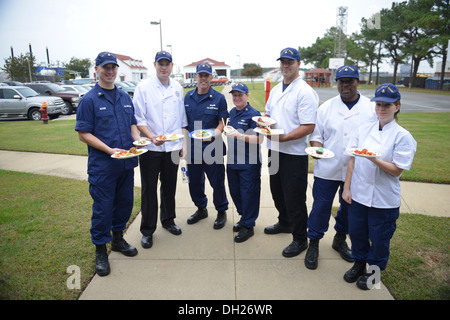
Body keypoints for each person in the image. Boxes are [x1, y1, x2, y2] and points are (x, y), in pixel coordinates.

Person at [342, 83, 416, 290]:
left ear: (397, 107)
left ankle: (374, 272)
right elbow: (352, 160)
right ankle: (358, 264)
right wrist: (347, 188)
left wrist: (373, 159)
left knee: (379, 238)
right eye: (378, 105)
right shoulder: (364, 130)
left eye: (387, 105)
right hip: (359, 194)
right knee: (357, 233)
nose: (381, 109)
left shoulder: (403, 136)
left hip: (384, 200)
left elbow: (396, 170)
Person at [304, 65, 377, 270]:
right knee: (320, 208)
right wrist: (317, 151)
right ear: (337, 83)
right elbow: (316, 138)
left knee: (348, 209)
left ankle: (339, 239)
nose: (345, 85)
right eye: (341, 81)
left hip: (356, 171)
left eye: (350, 81)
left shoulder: (370, 108)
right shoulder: (326, 107)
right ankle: (314, 243)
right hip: (328, 168)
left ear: (357, 82)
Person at [75, 52, 140, 276]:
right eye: (105, 68)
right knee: (103, 210)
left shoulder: (124, 97)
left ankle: (118, 240)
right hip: (103, 167)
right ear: (97, 70)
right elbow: (83, 134)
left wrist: (137, 141)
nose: (110, 71)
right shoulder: (90, 99)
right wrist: (109, 150)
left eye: (113, 67)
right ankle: (101, 251)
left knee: (124, 205)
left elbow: (132, 124)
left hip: (126, 164)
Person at [264, 48, 319, 258]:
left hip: (293, 154)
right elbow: (268, 112)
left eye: (290, 62)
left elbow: (308, 125)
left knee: (294, 196)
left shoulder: (304, 91)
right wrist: (265, 124)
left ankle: (299, 238)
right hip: (274, 150)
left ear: (298, 63)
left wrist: (285, 137)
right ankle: (284, 222)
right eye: (283, 62)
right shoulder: (277, 89)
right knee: (277, 191)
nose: (286, 65)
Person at [133, 50, 188, 249]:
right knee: (149, 189)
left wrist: (183, 145)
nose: (164, 67)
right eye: (160, 64)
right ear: (154, 65)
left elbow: (181, 119)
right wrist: (150, 136)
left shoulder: (177, 87)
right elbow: (138, 119)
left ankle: (168, 220)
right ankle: (147, 230)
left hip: (172, 146)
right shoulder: (143, 87)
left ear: (172, 66)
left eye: (167, 64)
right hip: (150, 147)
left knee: (169, 186)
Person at [184, 62, 229, 229]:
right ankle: (201, 209)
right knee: (194, 182)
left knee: (217, 182)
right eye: (200, 75)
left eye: (206, 75)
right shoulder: (188, 97)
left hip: (213, 146)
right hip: (193, 148)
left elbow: (222, 123)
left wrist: (213, 134)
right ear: (195, 77)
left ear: (211, 78)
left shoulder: (219, 98)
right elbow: (184, 123)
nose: (203, 78)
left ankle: (221, 211)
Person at [225, 82, 264, 242]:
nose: (237, 98)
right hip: (233, 160)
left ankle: (248, 225)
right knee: (235, 192)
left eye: (240, 94)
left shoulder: (254, 115)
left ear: (247, 96)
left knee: (249, 194)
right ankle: (244, 217)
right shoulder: (232, 112)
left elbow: (260, 139)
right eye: (234, 95)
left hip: (249, 162)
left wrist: (239, 136)